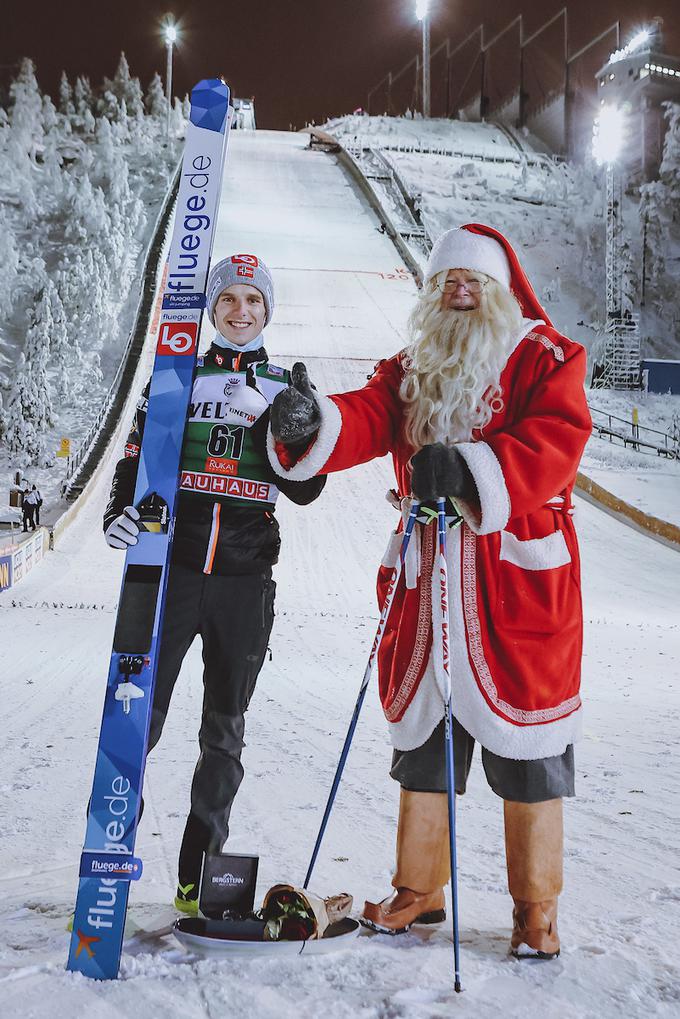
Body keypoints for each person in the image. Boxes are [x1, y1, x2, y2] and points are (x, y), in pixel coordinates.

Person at [268, 224, 592, 959]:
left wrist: (474, 467)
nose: (460, 291)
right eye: (448, 281)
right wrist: (314, 421)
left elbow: (557, 438)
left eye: (473, 281)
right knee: (425, 745)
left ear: (502, 289)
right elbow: (367, 414)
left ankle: (535, 907)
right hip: (430, 585)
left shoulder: (546, 358)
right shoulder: (415, 366)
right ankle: (418, 888)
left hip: (517, 586)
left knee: (529, 755)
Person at [103, 254, 326, 915]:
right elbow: (138, 452)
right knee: (135, 717)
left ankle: (198, 877)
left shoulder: (289, 384)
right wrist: (119, 507)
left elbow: (308, 486)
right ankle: (108, 865)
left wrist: (274, 419)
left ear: (267, 310)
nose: (239, 310)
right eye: (227, 298)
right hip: (172, 573)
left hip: (244, 581)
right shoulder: (178, 372)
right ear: (212, 308)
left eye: (252, 300)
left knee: (223, 736)